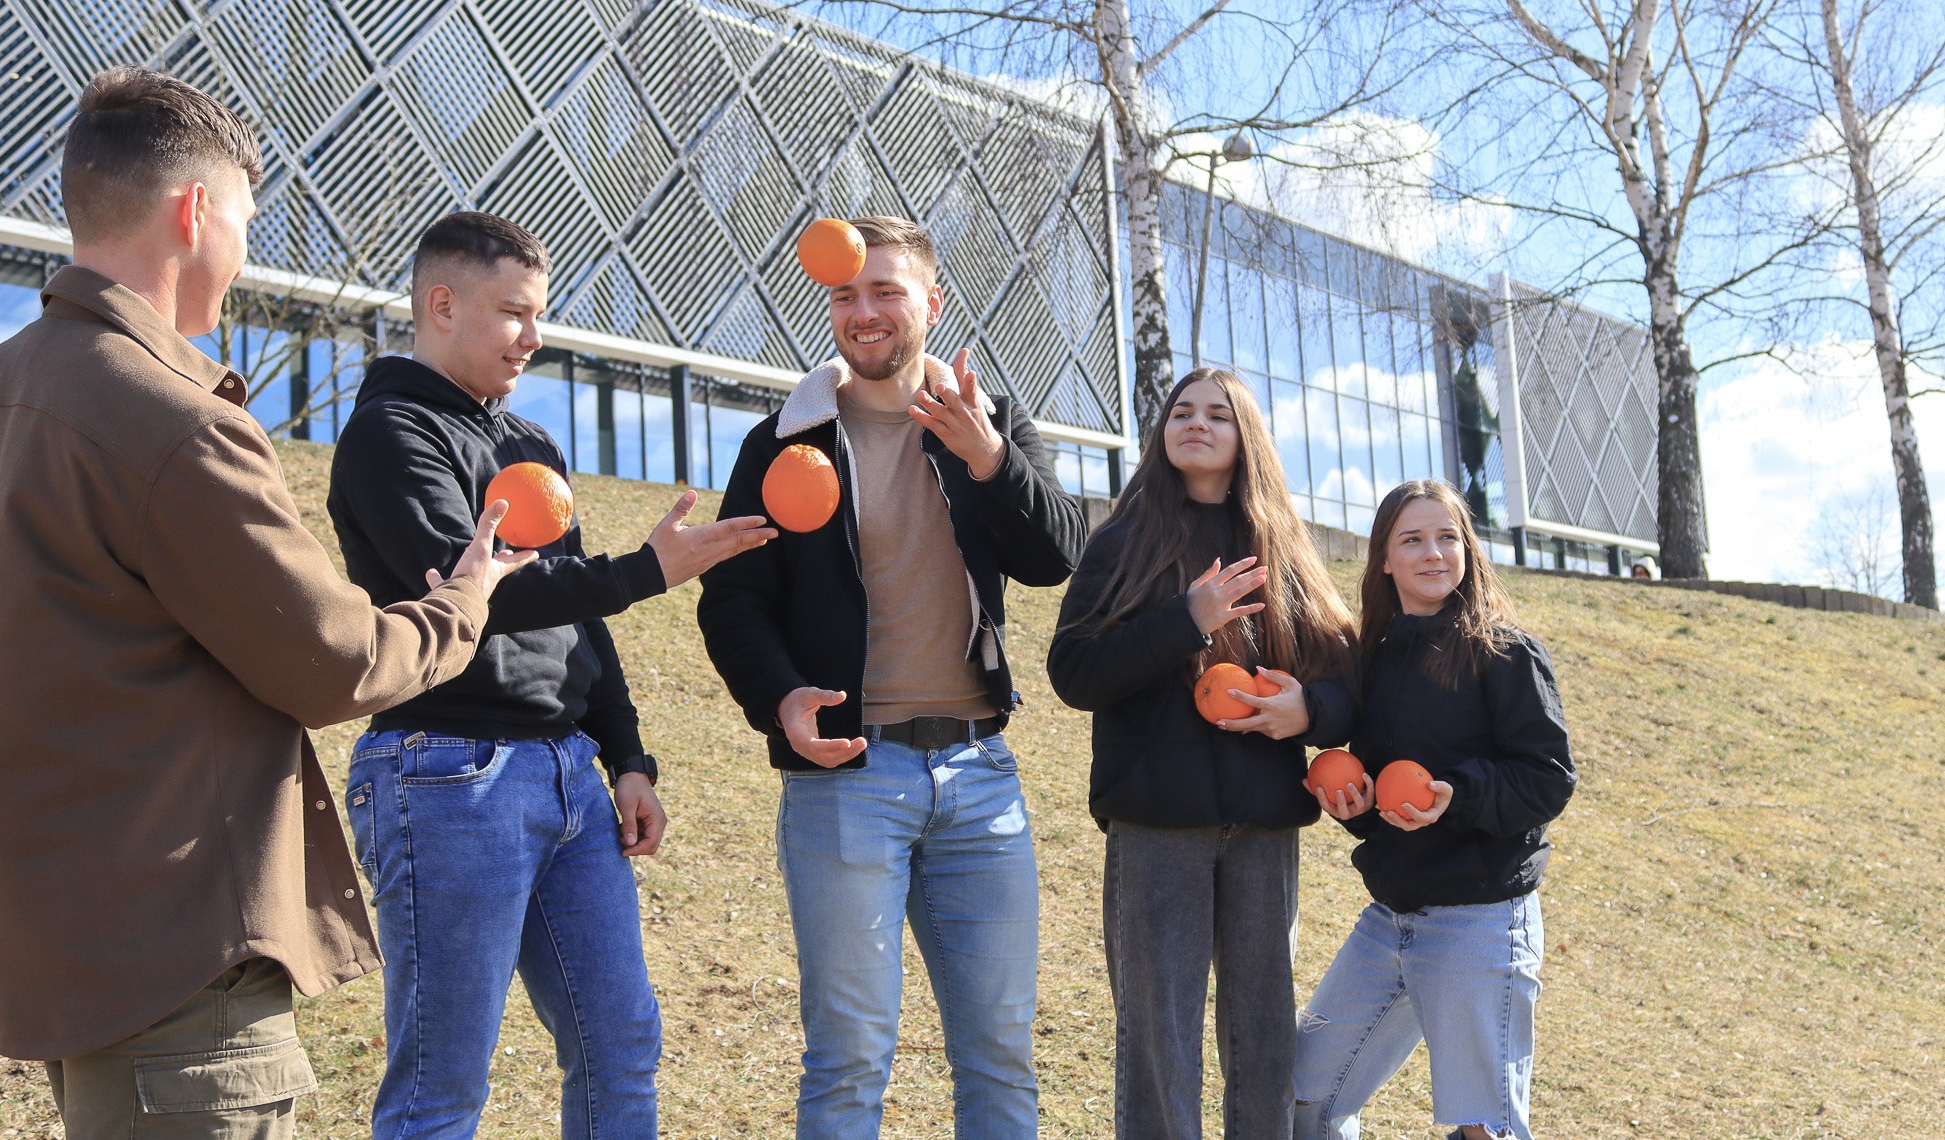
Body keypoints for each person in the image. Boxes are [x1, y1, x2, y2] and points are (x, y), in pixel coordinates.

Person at [0, 68, 533, 1139]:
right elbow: (334, 661)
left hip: (59, 959)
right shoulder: (171, 419)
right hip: (178, 971)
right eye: (243, 220)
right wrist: (464, 601)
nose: (243, 254)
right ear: (194, 214)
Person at [325, 211, 774, 1137]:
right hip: (445, 774)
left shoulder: (532, 446)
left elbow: (573, 619)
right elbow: (476, 589)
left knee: (621, 1046)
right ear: (441, 305)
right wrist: (647, 568)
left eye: (541, 314)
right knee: (443, 1081)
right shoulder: (389, 432)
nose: (535, 337)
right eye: (514, 314)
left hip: (568, 776)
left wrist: (628, 759)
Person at [696, 215, 1085, 1138]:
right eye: (845, 295)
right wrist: (780, 695)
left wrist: (989, 457)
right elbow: (732, 600)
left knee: (999, 1053)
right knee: (850, 1056)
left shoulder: (985, 418)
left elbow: (1057, 555)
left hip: (983, 781)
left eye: (886, 292)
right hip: (847, 782)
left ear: (931, 303)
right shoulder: (784, 440)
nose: (863, 312)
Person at [1047, 367, 1359, 1139]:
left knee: (1263, 1040)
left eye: (1217, 413)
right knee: (1159, 1038)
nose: (1196, 423)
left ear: (1244, 434)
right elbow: (1074, 672)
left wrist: (1306, 712)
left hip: (1263, 832)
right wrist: (1186, 620)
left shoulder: (1278, 543)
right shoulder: (1124, 539)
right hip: (1156, 828)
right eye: (1180, 411)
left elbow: (1353, 678)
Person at [1292, 480, 1577, 1140]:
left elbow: (1549, 778)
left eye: (1448, 537)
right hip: (1390, 919)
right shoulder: (1373, 660)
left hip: (1480, 920)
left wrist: (1459, 795)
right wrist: (1357, 807)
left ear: (1468, 550)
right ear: (1384, 559)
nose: (1433, 553)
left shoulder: (1505, 652)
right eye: (1412, 540)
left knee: (1484, 1130)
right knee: (1307, 1095)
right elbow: (1382, 799)